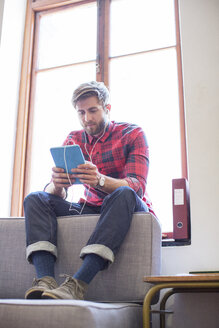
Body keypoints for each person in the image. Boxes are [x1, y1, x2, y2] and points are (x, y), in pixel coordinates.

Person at [24, 81, 154, 300]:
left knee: (123, 193)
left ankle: (77, 284)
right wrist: (56, 185)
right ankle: (45, 281)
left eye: (93, 110)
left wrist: (100, 181)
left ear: (107, 108)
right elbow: (57, 194)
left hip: (128, 206)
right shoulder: (73, 139)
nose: (87, 119)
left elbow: (137, 185)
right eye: (81, 112)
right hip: (90, 208)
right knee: (35, 197)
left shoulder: (133, 134)